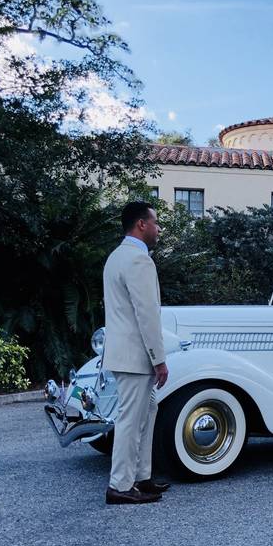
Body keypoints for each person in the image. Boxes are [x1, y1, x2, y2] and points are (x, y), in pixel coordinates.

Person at [102, 202, 172, 505]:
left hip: (123, 353)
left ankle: (141, 478)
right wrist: (159, 360)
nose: (159, 229)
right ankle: (119, 485)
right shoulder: (138, 261)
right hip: (135, 358)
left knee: (149, 411)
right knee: (130, 420)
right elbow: (147, 315)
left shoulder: (116, 257)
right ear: (141, 224)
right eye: (155, 223)